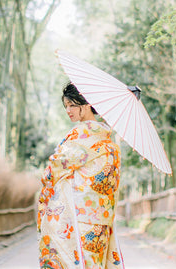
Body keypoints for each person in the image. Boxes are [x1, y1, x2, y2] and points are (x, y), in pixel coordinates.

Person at [37, 82, 124, 269]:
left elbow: (55, 167)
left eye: (72, 105)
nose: (68, 110)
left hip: (80, 217)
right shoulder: (109, 140)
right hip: (102, 219)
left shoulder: (81, 134)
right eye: (66, 106)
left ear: (85, 105)